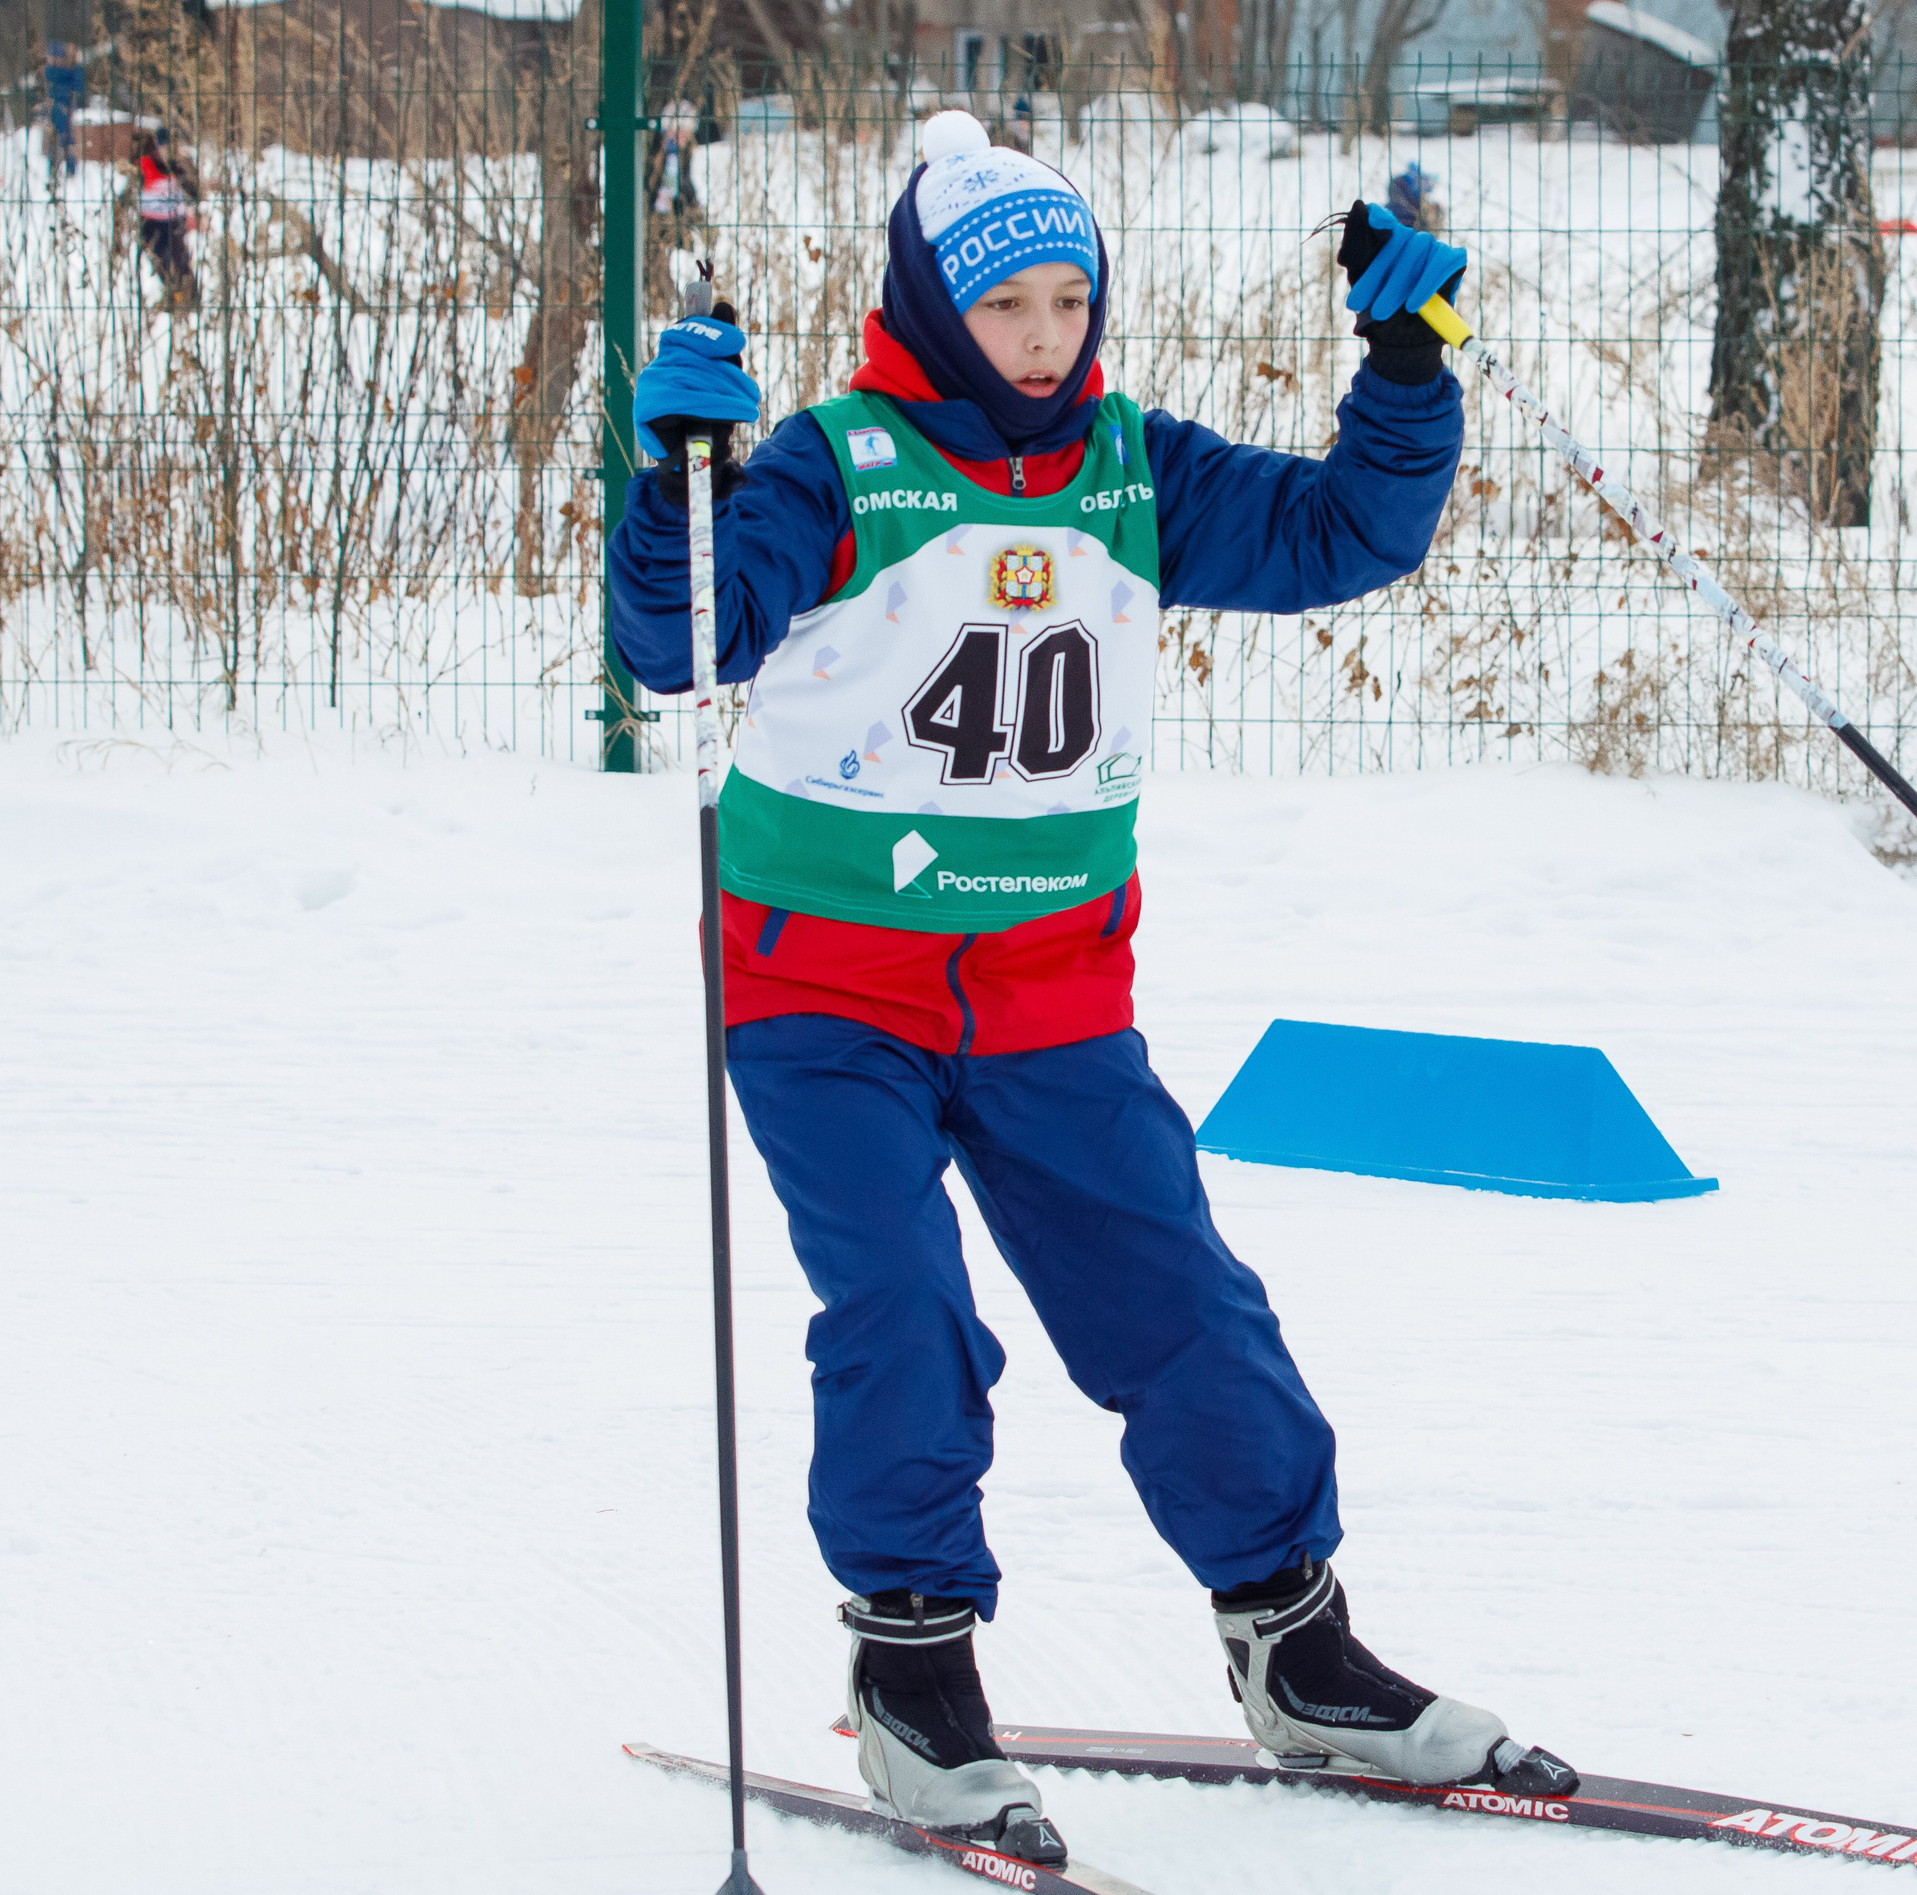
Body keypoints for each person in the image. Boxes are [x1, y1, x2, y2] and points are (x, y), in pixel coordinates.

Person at [605, 110, 1576, 1864]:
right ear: (929, 304)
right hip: (825, 990)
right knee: (906, 1309)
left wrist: (1405, 368)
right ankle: (913, 1670)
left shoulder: (1133, 468)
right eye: (1008, 310)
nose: (1045, 339)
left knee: (1185, 1309)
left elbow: (1343, 535)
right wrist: (676, 469)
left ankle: (1298, 1647)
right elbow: (683, 643)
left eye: (1071, 301)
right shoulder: (837, 464)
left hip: (1054, 985)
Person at [132, 127, 199, 311]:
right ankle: (175, 299)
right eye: (163, 146)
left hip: (173, 223)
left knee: (181, 264)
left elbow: (195, 192)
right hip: (151, 224)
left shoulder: (181, 165)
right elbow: (130, 193)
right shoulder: (145, 166)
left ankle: (189, 300)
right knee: (162, 263)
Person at [44, 41, 82, 186]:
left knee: (68, 140)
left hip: (67, 111)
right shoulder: (51, 72)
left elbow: (77, 86)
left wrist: (75, 63)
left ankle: (70, 169)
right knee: (55, 140)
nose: (55, 61)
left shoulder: (71, 72)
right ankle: (54, 169)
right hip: (56, 110)